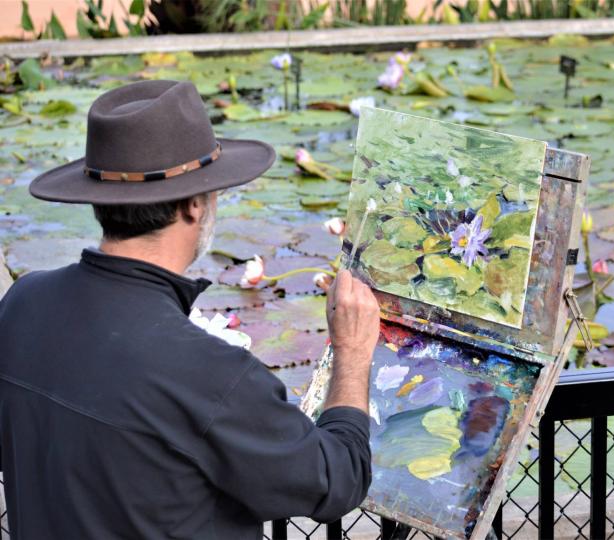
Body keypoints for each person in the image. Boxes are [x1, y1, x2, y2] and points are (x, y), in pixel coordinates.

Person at [0, 80, 380, 539]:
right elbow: (339, 479)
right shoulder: (210, 374)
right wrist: (353, 351)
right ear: (194, 205)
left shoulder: (23, 304)